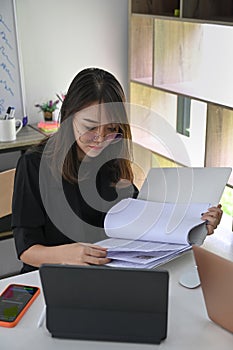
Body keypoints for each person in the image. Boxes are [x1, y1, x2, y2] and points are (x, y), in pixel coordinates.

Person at [12, 68, 223, 274]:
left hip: (106, 275)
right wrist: (70, 255)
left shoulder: (112, 160)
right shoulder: (34, 164)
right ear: (69, 117)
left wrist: (196, 223)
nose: (101, 138)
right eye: (90, 127)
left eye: (111, 129)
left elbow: (144, 225)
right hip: (50, 278)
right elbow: (27, 251)